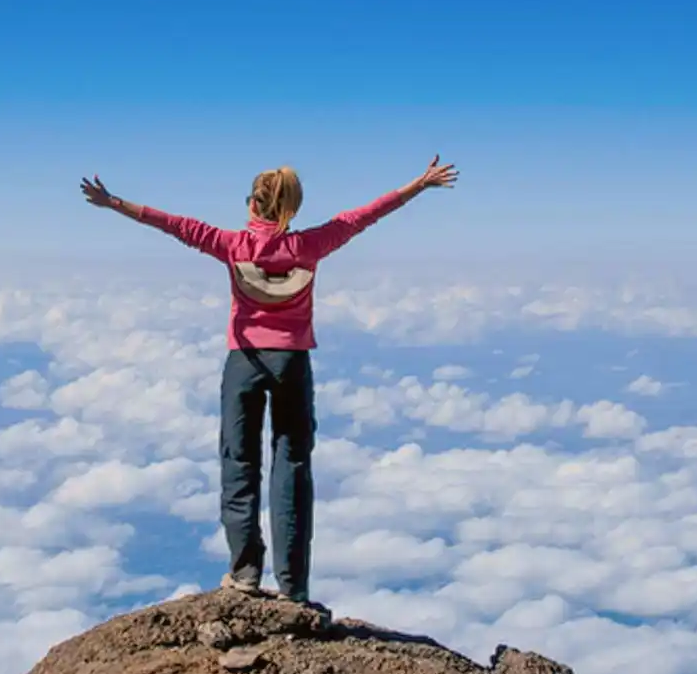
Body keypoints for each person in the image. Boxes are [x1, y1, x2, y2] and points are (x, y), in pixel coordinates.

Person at [80, 155, 460, 607]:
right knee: (293, 468)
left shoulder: (230, 244)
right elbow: (365, 216)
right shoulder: (311, 246)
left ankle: (245, 573)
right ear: (290, 209)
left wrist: (112, 203)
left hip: (243, 361)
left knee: (238, 463)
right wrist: (418, 185)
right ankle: (293, 587)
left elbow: (173, 224)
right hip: (292, 363)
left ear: (252, 205)